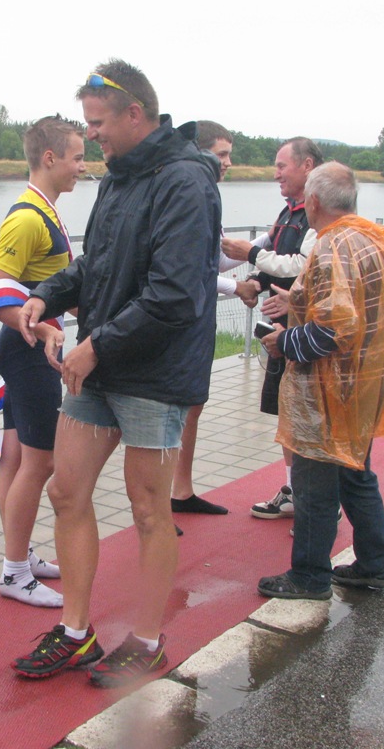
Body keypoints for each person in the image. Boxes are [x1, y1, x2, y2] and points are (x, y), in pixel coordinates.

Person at [12, 60, 221, 687]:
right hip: (102, 366)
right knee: (66, 491)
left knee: (150, 508)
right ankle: (77, 633)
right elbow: (96, 265)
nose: (92, 135)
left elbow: (175, 294)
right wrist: (46, 294)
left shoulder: (186, 181)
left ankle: (148, 641)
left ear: (135, 114)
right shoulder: (119, 178)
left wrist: (96, 346)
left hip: (154, 374)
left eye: (98, 123)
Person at [255, 162, 384, 600]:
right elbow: (351, 308)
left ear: (312, 202)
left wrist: (284, 341)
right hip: (366, 382)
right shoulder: (366, 238)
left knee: (313, 485)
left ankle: (309, 576)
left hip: (330, 390)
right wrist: (297, 300)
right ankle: (375, 563)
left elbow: (334, 329)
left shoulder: (331, 247)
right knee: (354, 473)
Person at [0, 116, 85, 607]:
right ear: (50, 158)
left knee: (17, 459)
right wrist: (41, 329)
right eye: (78, 158)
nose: (83, 167)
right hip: (28, 351)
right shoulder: (27, 217)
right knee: (40, 463)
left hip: (29, 347)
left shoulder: (47, 211)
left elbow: (51, 286)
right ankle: (15, 571)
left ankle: (19, 555)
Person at [221, 137, 323, 520]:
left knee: (306, 414)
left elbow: (301, 265)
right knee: (287, 412)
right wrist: (253, 282)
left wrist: (249, 253)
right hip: (282, 329)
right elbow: (276, 260)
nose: (275, 173)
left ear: (307, 166)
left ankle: (316, 499)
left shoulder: (319, 213)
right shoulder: (289, 211)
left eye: (282, 166)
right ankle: (296, 490)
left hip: (306, 332)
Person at [170, 119, 256, 519]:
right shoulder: (189, 194)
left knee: (194, 405)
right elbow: (190, 268)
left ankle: (181, 490)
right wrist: (236, 288)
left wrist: (264, 245)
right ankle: (157, 502)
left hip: (200, 317)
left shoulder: (207, 193)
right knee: (173, 410)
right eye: (223, 154)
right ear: (201, 152)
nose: (228, 163)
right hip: (181, 320)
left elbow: (215, 259)